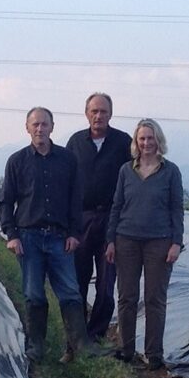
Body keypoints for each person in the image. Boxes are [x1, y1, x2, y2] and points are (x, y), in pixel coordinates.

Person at [0, 107, 103, 363]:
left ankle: (81, 345)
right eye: (35, 125)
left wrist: (74, 233)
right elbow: (5, 201)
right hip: (28, 237)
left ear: (52, 127)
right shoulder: (17, 161)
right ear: (27, 128)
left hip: (59, 238)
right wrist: (11, 235)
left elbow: (75, 199)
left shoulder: (67, 160)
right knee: (34, 293)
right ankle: (36, 347)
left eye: (44, 124)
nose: (40, 129)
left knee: (70, 292)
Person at [105, 118, 184, 371]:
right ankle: (127, 349)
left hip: (159, 242)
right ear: (136, 142)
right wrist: (110, 239)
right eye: (142, 138)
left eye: (151, 138)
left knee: (154, 298)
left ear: (158, 140)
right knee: (127, 297)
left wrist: (176, 243)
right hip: (126, 239)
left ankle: (154, 354)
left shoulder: (170, 171)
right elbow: (117, 206)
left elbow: (176, 209)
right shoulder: (126, 170)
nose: (147, 143)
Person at [65, 93, 132, 359]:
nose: (98, 116)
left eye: (103, 111)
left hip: (110, 220)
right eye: (94, 111)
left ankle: (97, 336)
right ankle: (77, 338)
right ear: (86, 113)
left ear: (111, 114)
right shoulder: (75, 143)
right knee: (77, 281)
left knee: (106, 284)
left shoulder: (123, 142)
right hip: (81, 220)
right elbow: (66, 182)